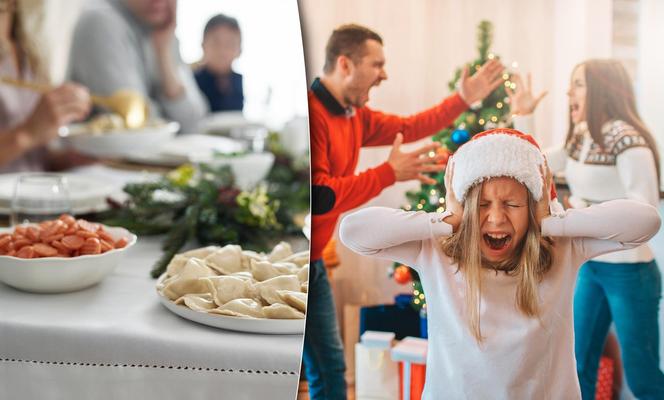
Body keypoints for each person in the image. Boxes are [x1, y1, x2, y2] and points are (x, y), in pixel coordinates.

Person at [339, 128, 661, 399]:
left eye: (511, 203)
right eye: (481, 205)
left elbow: (645, 221)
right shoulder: (437, 249)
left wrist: (549, 221)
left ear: (532, 206)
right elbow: (353, 232)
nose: (495, 218)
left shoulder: (562, 247)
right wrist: (447, 219)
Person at [307, 23, 505, 399]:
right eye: (376, 64)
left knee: (329, 371)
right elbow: (319, 196)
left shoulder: (354, 115)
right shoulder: (312, 113)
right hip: (299, 263)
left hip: (312, 259)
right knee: (328, 372)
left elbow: (413, 125)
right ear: (346, 64)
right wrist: (388, 173)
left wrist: (462, 99)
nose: (384, 74)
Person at [509, 60, 664, 399]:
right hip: (590, 266)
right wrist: (523, 117)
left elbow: (645, 211)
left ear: (602, 89)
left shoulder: (627, 140)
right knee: (578, 366)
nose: (569, 92)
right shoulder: (583, 136)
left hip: (630, 272)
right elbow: (533, 162)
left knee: (642, 377)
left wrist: (579, 213)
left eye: (577, 84)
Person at [68, 0, 207, 133]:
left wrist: (163, 53)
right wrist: (174, 120)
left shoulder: (163, 30)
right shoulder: (100, 22)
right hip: (105, 155)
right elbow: (137, 122)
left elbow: (194, 122)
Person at [0, 0, 90, 172]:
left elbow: (30, 162)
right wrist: (27, 134)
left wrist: (68, 159)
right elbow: (28, 135)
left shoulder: (27, 50)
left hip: (32, 194)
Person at [194, 14, 244, 112]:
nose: (222, 51)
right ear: (203, 45)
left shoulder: (237, 79)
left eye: (230, 44)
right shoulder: (193, 80)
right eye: (216, 42)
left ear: (239, 50)